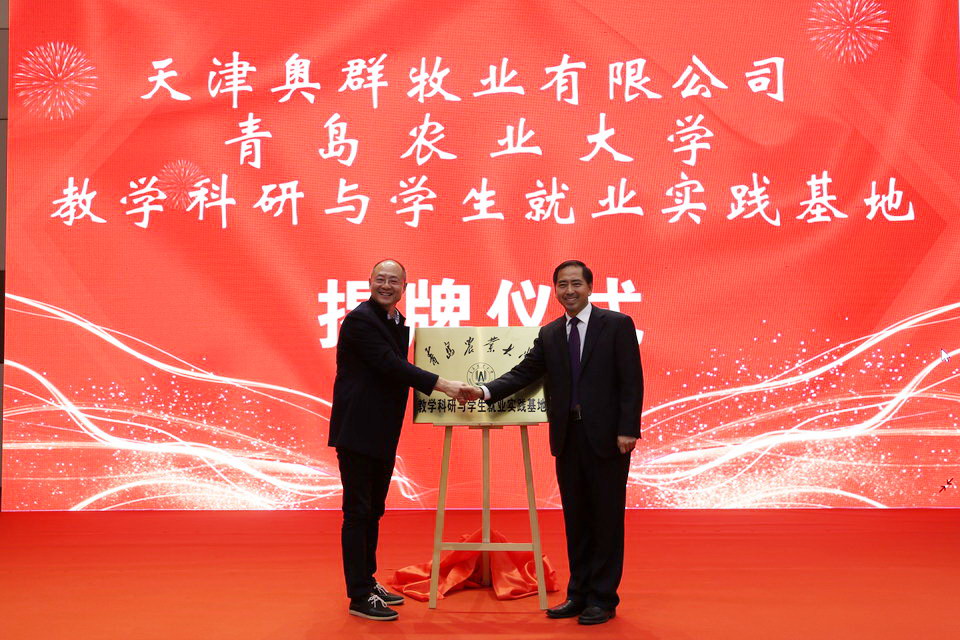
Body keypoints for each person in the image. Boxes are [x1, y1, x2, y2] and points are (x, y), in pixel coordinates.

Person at [461, 260, 643, 625]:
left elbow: (631, 380)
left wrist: (628, 429)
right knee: (576, 519)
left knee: (606, 519)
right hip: (568, 437)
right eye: (562, 284)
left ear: (589, 287)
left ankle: (603, 598)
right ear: (555, 290)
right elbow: (524, 373)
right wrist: (483, 391)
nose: (569, 291)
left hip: (608, 439)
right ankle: (578, 594)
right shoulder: (550, 333)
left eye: (576, 284)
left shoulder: (616, 325)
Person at [329, 259, 467, 621]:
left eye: (394, 281)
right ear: (369, 282)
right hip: (357, 430)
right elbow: (391, 365)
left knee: (374, 510)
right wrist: (445, 385)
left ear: (405, 287)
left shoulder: (396, 320)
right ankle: (359, 595)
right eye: (381, 279)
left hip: (381, 430)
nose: (386, 286)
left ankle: (368, 580)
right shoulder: (361, 320)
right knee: (357, 512)